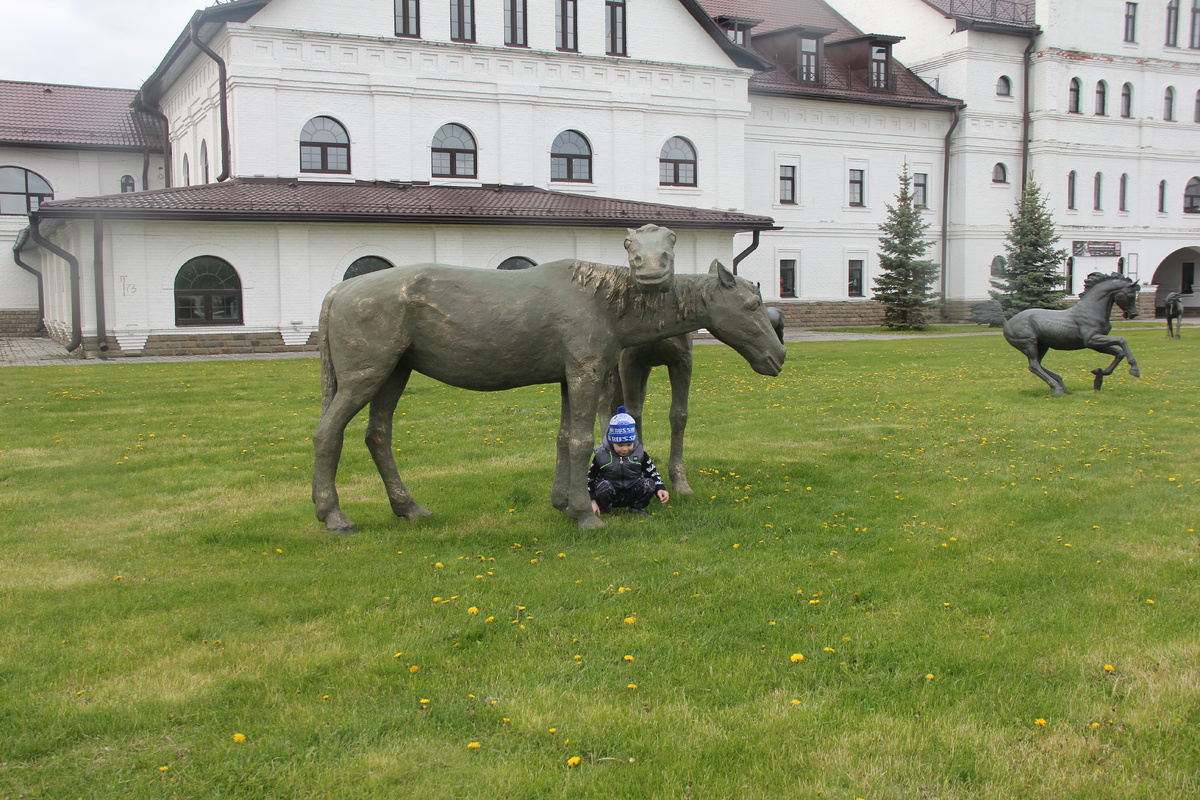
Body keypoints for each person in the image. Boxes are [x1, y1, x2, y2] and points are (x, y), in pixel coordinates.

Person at [588, 406, 670, 516]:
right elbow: (590, 479)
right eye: (620, 445)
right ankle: (605, 510)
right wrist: (592, 500)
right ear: (612, 442)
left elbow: (652, 472)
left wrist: (660, 488)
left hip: (632, 490)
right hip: (612, 491)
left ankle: (636, 508)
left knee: (648, 484)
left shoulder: (640, 453)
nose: (625, 449)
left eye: (629, 444)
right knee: (603, 486)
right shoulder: (600, 455)